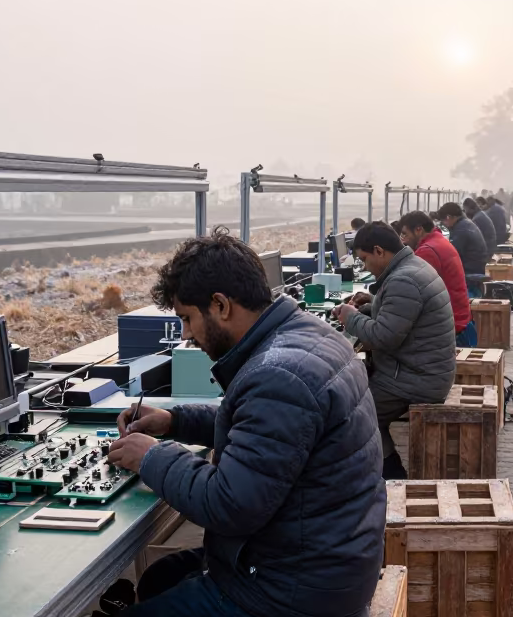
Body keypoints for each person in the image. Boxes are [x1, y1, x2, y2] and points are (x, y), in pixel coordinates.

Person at [107, 227, 384, 616]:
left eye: (187, 318)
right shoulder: (306, 335)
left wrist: (151, 457)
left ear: (220, 305)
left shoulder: (279, 374)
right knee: (159, 577)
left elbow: (230, 505)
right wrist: (174, 421)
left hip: (293, 594)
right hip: (321, 560)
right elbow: (266, 431)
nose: (186, 335)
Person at [332, 222, 455, 480]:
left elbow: (382, 337)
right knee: (351, 390)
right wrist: (373, 305)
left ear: (379, 251)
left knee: (354, 414)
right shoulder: (411, 268)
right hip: (418, 369)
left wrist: (351, 317)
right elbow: (401, 317)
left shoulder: (404, 279)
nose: (365, 267)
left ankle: (391, 475)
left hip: (416, 380)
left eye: (364, 260)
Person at [399, 210, 477, 348]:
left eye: (405, 234)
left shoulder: (427, 251)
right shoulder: (438, 241)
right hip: (461, 320)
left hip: (452, 328)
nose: (403, 239)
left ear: (418, 230)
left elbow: (410, 292)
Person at [437, 201, 488, 297]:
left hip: (470, 270)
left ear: (448, 217)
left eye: (443, 221)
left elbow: (452, 254)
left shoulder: (461, 230)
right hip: (477, 266)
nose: (445, 225)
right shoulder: (465, 224)